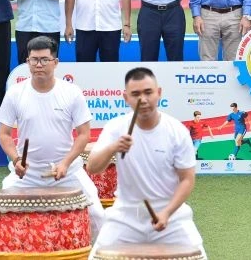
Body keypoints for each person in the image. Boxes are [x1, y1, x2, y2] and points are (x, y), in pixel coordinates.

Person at [86, 67, 205, 257]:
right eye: (136, 94)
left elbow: (187, 180)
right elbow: (92, 167)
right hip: (126, 214)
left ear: (159, 93)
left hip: (172, 214)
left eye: (148, 92)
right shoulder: (116, 127)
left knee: (198, 255)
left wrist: (166, 213)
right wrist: (113, 148)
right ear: (126, 98)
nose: (143, 99)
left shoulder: (176, 131)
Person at [0, 36, 103, 239]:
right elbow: (4, 134)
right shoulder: (15, 93)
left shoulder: (71, 92)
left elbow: (84, 134)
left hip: (68, 172)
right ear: (27, 62)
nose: (38, 65)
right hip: (26, 175)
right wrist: (17, 160)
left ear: (56, 62)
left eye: (44, 59)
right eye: (33, 60)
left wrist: (65, 164)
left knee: (98, 216)